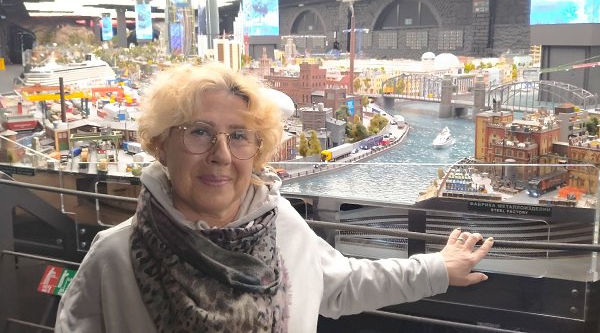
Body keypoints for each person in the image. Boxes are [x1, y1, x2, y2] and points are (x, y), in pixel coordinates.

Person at [55, 63, 494, 333]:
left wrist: (438, 269)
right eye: (199, 132)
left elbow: (343, 285)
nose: (221, 155)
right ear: (160, 145)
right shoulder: (113, 257)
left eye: (239, 136)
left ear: (258, 150)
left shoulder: (283, 224)